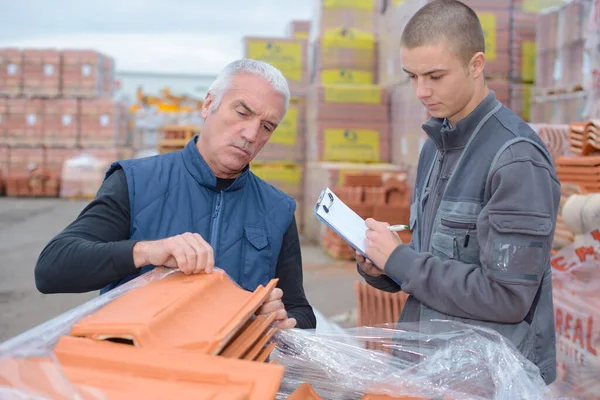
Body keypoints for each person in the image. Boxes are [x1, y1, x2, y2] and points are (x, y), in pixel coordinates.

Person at [354, 0, 560, 384]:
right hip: (432, 365)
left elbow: (507, 297)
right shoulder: (436, 144)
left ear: (476, 64)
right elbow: (437, 262)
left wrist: (400, 260)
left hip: (490, 381)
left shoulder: (515, 159)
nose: (421, 91)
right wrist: (383, 266)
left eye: (434, 75)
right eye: (411, 76)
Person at [35, 59, 316, 331]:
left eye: (267, 126)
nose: (251, 133)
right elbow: (52, 269)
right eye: (242, 113)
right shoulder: (136, 182)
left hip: (229, 375)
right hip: (139, 370)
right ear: (208, 105)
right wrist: (145, 251)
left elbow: (301, 311)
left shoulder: (277, 210)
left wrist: (282, 320)